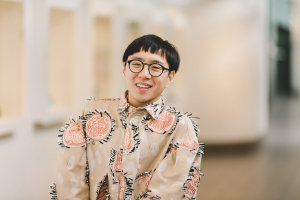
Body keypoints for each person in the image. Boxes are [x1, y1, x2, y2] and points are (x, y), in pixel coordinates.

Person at [50, 34, 204, 200]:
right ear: (124, 68)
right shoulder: (92, 112)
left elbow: (170, 189)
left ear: (170, 77)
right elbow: (70, 176)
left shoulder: (180, 126)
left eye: (155, 67)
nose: (144, 74)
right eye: (136, 64)